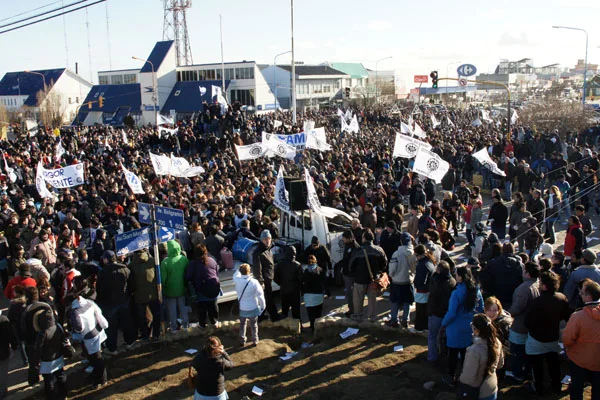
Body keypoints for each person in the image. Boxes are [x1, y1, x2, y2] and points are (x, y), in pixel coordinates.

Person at [525, 271, 570, 395]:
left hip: (536, 338)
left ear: (544, 286)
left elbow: (528, 322)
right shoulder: (561, 298)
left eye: (540, 283)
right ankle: (556, 386)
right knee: (553, 363)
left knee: (537, 366)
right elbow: (567, 316)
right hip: (553, 337)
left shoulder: (536, 302)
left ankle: (538, 387)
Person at [441, 267, 484, 386]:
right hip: (470, 328)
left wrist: (443, 324)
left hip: (455, 328)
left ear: (460, 277)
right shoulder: (476, 291)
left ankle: (451, 377)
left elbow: (451, 313)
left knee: (453, 355)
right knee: (467, 354)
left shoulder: (457, 293)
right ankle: (466, 376)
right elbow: (480, 309)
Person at [563, 279, 600, 400]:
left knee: (577, 389)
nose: (580, 294)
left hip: (579, 358)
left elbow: (567, 338)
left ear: (588, 297)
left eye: (582, 293)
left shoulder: (578, 316)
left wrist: (568, 348)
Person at [68, 276, 108, 388]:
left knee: (96, 358)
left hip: (89, 336)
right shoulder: (89, 303)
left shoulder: (75, 311)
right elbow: (99, 313)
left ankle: (101, 378)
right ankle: (98, 375)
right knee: (96, 357)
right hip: (97, 331)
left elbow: (79, 328)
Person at [95, 250, 137, 354]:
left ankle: (112, 348)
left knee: (111, 328)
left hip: (109, 304)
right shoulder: (124, 269)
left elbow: (99, 289)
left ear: (106, 260)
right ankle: (130, 342)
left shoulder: (102, 273)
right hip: (124, 301)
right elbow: (132, 285)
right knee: (126, 322)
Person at [457, 314, 504, 400]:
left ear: (475, 329)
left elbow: (468, 378)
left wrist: (460, 378)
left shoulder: (474, 351)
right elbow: (500, 364)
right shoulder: (497, 342)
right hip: (492, 387)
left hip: (478, 392)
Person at [349, 229, 387, 322]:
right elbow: (385, 264)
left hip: (359, 279)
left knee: (358, 300)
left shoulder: (358, 251)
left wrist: (355, 274)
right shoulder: (379, 250)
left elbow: (351, 266)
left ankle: (358, 316)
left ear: (364, 238)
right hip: (373, 279)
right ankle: (372, 318)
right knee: (372, 300)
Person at [36, 298, 70, 400]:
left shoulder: (42, 333)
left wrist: (37, 360)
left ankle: (51, 397)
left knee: (49, 380)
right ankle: (63, 394)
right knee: (61, 376)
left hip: (47, 360)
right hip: (58, 356)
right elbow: (63, 339)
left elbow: (38, 348)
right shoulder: (58, 326)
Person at [427, 261, 456, 364]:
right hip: (447, 313)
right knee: (445, 337)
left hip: (436, 313)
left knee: (432, 336)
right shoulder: (452, 282)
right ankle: (444, 355)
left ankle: (432, 357)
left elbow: (432, 293)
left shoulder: (436, 281)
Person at [128, 249, 161, 341]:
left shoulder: (131, 265)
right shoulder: (153, 261)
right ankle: (156, 334)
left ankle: (146, 335)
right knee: (156, 314)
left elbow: (131, 282)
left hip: (139, 295)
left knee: (141, 317)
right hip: (153, 293)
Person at [187, 244, 221, 328]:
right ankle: (214, 322)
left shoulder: (193, 264)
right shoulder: (212, 260)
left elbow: (188, 277)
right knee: (213, 307)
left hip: (201, 291)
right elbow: (216, 273)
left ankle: (202, 325)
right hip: (214, 290)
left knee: (202, 309)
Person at [479, 243, 523, 309]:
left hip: (497, 297)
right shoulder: (520, 264)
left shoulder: (493, 263)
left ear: (502, 251)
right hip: (513, 297)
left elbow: (485, 281)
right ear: (513, 251)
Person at [386, 232, 416, 329]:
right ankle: (405, 320)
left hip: (397, 281)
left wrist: (392, 275)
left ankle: (394, 319)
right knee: (407, 302)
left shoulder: (397, 253)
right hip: (409, 281)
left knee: (395, 302)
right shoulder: (413, 253)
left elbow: (392, 269)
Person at [190, 336, 234, 400]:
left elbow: (194, 364)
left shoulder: (199, 359)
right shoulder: (220, 362)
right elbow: (231, 364)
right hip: (217, 395)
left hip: (201, 393)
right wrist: (223, 352)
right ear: (218, 348)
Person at [160, 240, 190, 331]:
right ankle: (185, 325)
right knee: (182, 308)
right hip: (181, 288)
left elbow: (163, 279)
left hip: (169, 290)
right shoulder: (184, 259)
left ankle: (173, 328)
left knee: (172, 310)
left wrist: (163, 288)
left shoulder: (165, 262)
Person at [252, 230, 280, 322]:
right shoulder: (258, 252)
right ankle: (274, 316)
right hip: (264, 280)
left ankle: (261, 316)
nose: (267, 241)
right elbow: (257, 269)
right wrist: (261, 281)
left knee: (265, 298)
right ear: (261, 240)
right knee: (268, 299)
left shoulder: (267, 249)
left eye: (269, 238)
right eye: (265, 239)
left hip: (268, 278)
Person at [233, 263, 265, 346]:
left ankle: (242, 340)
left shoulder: (237, 280)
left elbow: (235, 274)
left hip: (242, 307)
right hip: (253, 307)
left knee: (242, 324)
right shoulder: (254, 282)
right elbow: (260, 295)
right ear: (249, 271)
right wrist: (262, 307)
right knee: (254, 325)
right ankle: (255, 340)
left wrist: (239, 268)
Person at [274, 246, 303, 320]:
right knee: (296, 312)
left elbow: (275, 277)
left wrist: (281, 283)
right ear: (294, 254)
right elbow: (301, 279)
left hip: (284, 290)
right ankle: (298, 328)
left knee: (284, 312)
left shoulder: (280, 264)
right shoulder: (297, 265)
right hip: (295, 291)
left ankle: (285, 328)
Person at [413, 244, 435, 333]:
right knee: (425, 311)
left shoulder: (422, 265)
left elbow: (421, 280)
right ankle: (425, 327)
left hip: (422, 291)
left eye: (416, 255)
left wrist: (416, 284)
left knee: (420, 311)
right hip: (428, 290)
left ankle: (419, 328)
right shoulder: (429, 262)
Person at [337, 230, 360, 318]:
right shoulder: (348, 245)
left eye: (344, 238)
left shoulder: (355, 247)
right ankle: (352, 309)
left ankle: (353, 311)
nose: (342, 240)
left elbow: (352, 261)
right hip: (347, 272)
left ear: (349, 238)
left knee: (351, 293)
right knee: (349, 293)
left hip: (351, 274)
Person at [302, 254, 326, 334]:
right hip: (318, 295)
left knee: (311, 314)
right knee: (318, 314)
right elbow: (324, 283)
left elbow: (302, 283)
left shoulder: (305, 271)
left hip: (308, 296)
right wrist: (327, 293)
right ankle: (318, 329)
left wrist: (302, 293)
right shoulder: (320, 270)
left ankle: (312, 328)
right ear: (316, 261)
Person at [0, 307, 18, 399]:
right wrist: (15, 346)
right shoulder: (3, 320)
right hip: (3, 353)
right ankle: (2, 393)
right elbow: (11, 335)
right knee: (2, 374)